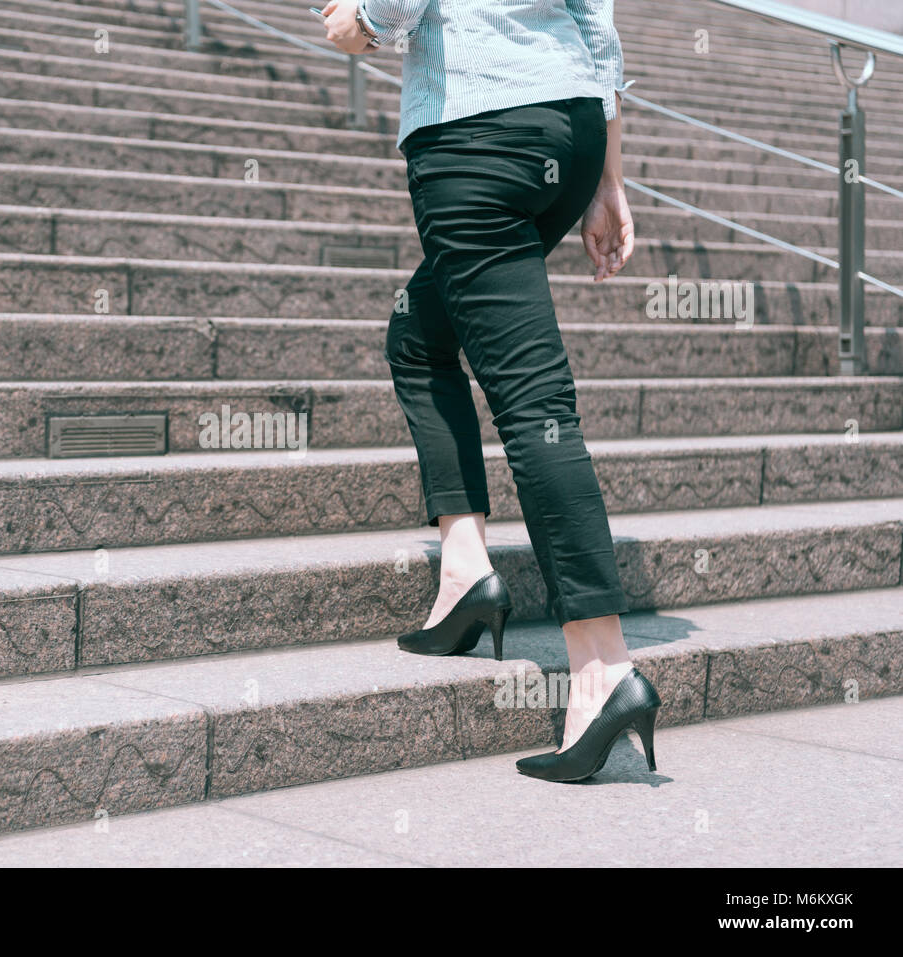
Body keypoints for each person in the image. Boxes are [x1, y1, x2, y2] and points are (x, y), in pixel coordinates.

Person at [321, 0, 660, 783]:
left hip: (478, 131)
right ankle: (465, 572)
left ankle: (604, 669)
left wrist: (364, 25)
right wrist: (607, 175)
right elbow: (597, 20)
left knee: (536, 406)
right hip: (567, 128)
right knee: (419, 338)